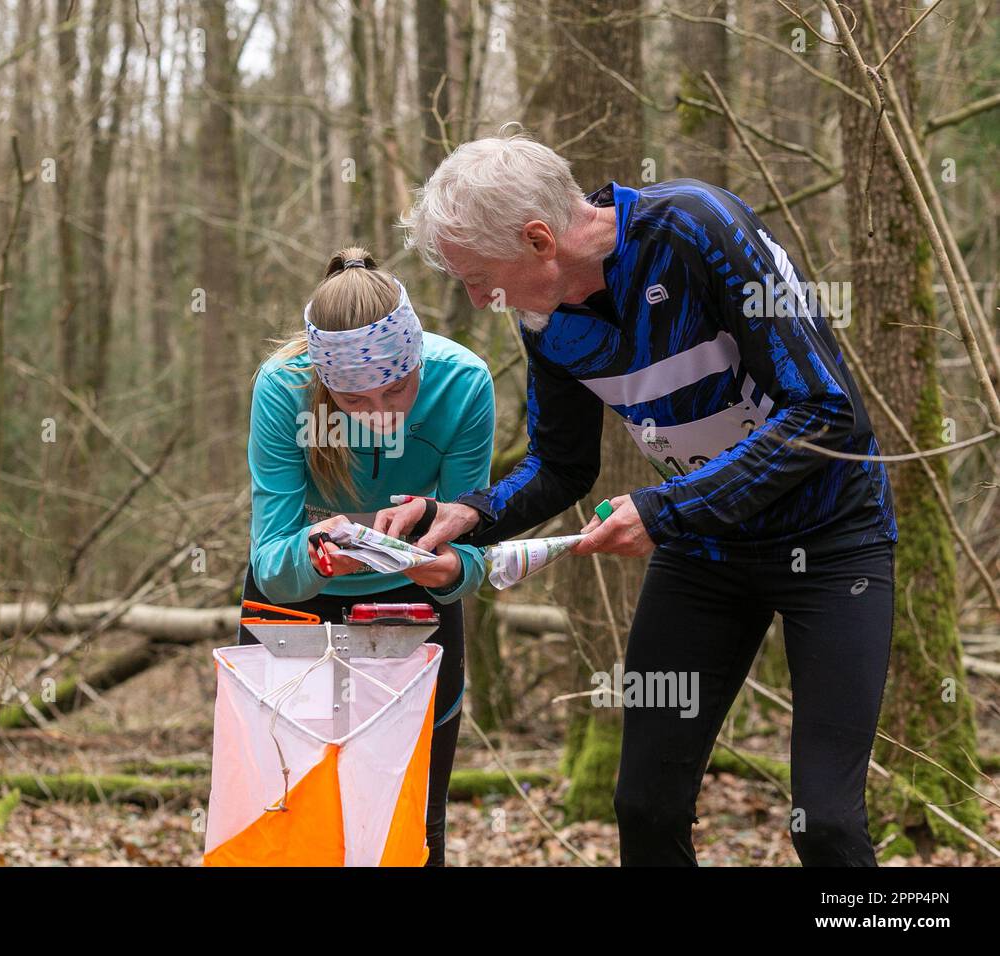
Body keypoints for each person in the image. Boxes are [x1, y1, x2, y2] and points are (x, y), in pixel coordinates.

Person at [376, 130, 898, 866]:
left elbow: (826, 413)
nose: (476, 299)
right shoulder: (546, 318)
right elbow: (561, 465)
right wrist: (468, 514)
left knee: (828, 823)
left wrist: (665, 510)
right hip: (706, 556)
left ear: (537, 239)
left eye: (478, 276)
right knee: (644, 805)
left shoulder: (696, 228)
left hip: (832, 537)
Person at [241, 245, 495, 865]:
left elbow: (474, 551)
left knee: (410, 828)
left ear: (417, 361)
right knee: (288, 826)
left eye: (398, 389)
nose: (381, 416)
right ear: (325, 383)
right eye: (355, 402)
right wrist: (318, 554)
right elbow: (272, 563)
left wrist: (448, 567)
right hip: (302, 606)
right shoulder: (283, 388)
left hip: (411, 603)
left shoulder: (463, 383)